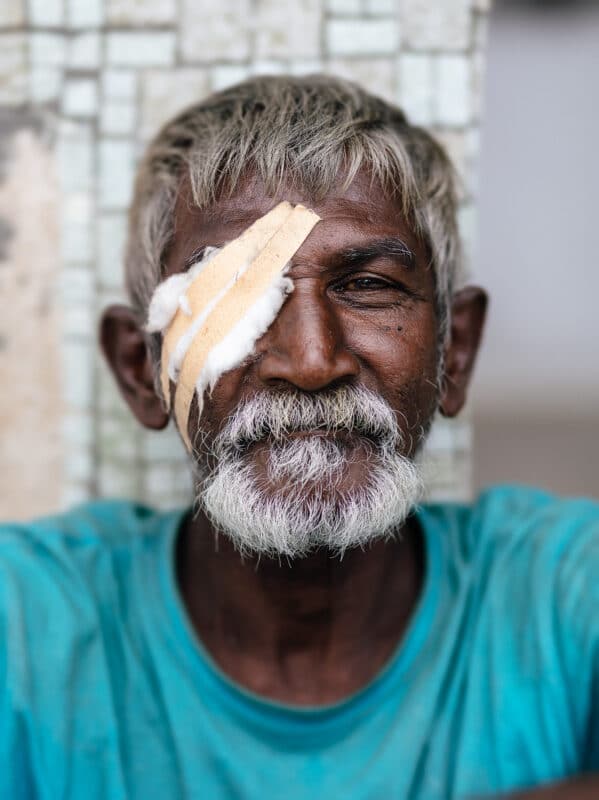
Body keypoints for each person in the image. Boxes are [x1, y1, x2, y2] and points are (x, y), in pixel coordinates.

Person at [1, 75, 597, 800]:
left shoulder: (564, 590)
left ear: (455, 353)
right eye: (232, 299)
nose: (312, 362)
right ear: (140, 370)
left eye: (368, 285)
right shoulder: (25, 628)